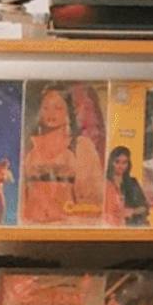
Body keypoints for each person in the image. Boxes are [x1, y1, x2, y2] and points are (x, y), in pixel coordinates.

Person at [21, 85, 104, 224]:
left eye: (58, 108)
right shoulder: (28, 146)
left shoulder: (82, 147)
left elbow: (94, 201)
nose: (51, 113)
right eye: (45, 108)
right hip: (30, 226)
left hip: (68, 227)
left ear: (68, 112)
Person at [104, 145, 149, 226]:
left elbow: (144, 207)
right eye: (117, 162)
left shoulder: (132, 183)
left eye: (124, 162)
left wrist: (132, 211)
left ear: (128, 164)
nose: (120, 166)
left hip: (130, 226)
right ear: (111, 162)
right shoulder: (105, 183)